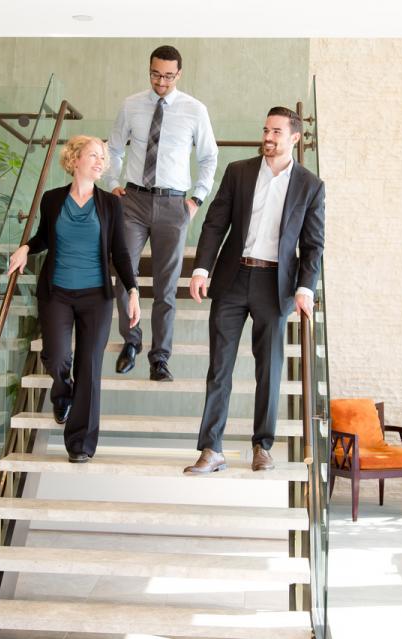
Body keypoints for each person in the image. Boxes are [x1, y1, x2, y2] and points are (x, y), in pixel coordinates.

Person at [184, 106, 325, 474]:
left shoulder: (310, 186)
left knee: (270, 369)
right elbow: (215, 223)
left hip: (274, 285)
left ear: (294, 137)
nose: (268, 137)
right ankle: (211, 449)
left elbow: (313, 245)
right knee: (220, 368)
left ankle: (262, 446)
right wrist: (201, 268)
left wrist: (305, 288)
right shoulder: (239, 172)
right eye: (265, 130)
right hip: (233, 279)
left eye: (276, 132)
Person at [8, 135, 141, 464]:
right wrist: (26, 247)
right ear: (75, 159)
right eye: (93, 155)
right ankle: (62, 390)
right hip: (57, 292)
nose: (100, 162)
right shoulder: (53, 200)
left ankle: (80, 444)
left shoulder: (110, 204)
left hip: (96, 296)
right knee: (55, 357)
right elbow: (43, 237)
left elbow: (120, 253)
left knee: (90, 367)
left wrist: (134, 291)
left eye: (103, 158)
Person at [104, 44, 217, 382]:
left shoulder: (195, 110)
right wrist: (113, 183)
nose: (161, 81)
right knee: (125, 277)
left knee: (166, 287)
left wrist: (196, 199)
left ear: (179, 74)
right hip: (134, 201)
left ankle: (160, 358)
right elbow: (112, 147)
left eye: (168, 76)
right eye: (156, 74)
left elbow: (209, 158)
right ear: (149, 69)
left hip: (174, 204)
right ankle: (132, 342)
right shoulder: (131, 105)